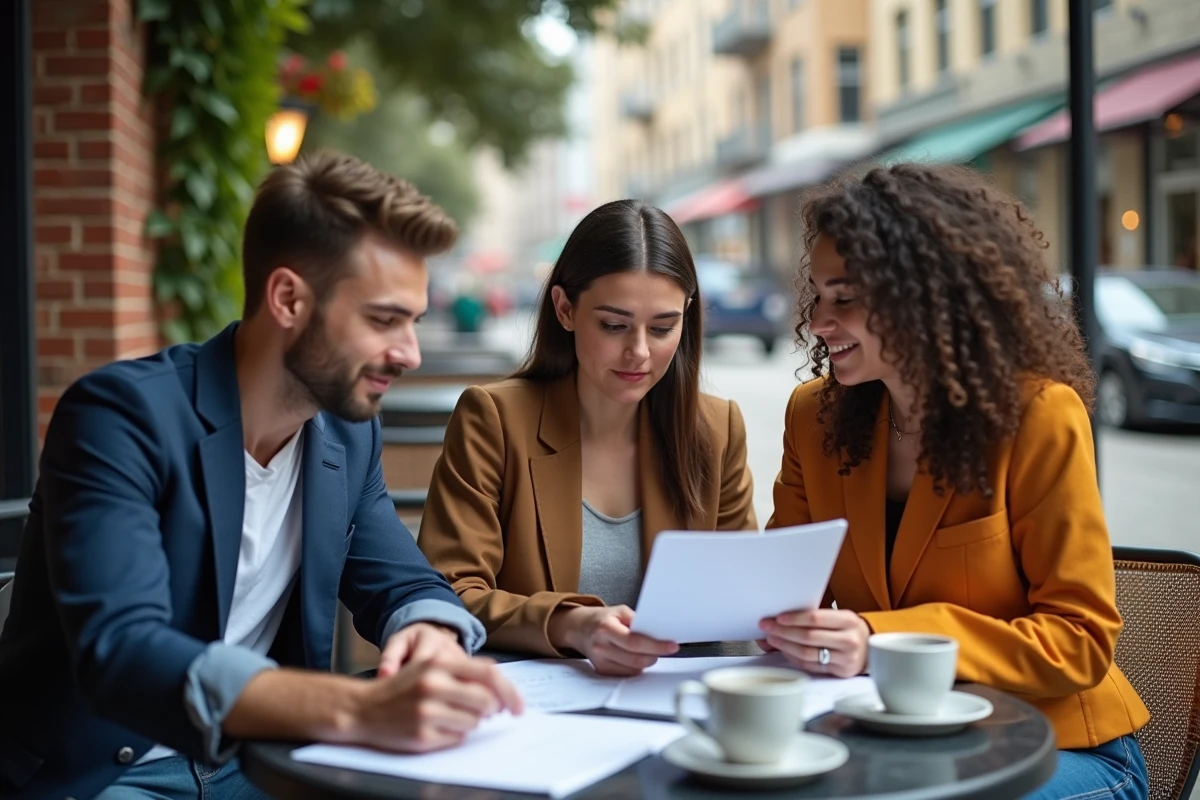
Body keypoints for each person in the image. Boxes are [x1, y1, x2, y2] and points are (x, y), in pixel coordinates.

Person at [0, 150, 522, 800]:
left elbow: (401, 582)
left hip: (262, 764)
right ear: (287, 299)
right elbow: (124, 651)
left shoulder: (348, 430)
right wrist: (358, 710)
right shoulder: (121, 416)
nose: (410, 353)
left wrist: (432, 634)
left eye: (413, 322)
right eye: (384, 320)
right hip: (110, 771)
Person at [763, 163, 1150, 799]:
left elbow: (1080, 643)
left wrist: (876, 637)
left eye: (846, 297)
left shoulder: (1039, 417)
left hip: (1059, 751)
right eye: (819, 296)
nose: (820, 323)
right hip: (898, 747)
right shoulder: (815, 417)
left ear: (922, 296)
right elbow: (782, 588)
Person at [418, 199, 757, 676]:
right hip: (535, 712)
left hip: (675, 707)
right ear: (565, 308)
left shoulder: (716, 429)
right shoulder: (494, 419)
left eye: (663, 327)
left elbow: (741, 594)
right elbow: (448, 590)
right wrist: (570, 625)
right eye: (614, 325)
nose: (639, 352)